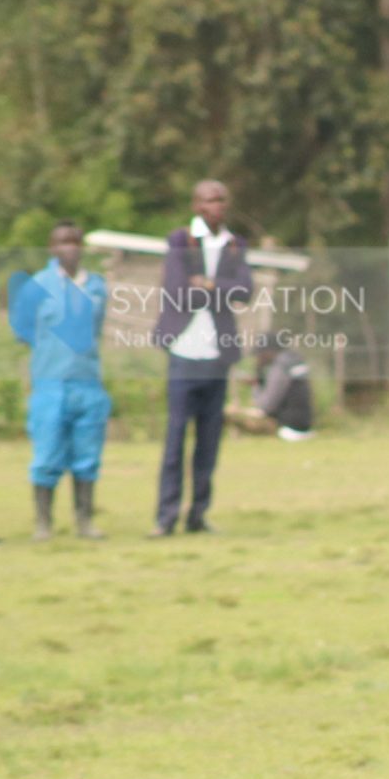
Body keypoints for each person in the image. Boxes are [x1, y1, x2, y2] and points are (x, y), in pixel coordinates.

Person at [149, 180, 253, 535]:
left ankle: (198, 515)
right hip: (183, 353)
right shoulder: (180, 241)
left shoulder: (235, 244)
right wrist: (218, 288)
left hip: (218, 356)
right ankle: (166, 518)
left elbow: (245, 291)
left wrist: (208, 284)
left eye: (222, 199)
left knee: (209, 442)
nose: (217, 206)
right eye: (209, 200)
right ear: (196, 205)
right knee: (175, 441)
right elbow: (178, 292)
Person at [8, 222, 113, 539]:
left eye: (75, 242)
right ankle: (43, 523)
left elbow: (95, 330)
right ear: (51, 248)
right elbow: (22, 332)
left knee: (87, 455)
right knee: (47, 455)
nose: (69, 248)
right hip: (50, 384)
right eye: (62, 242)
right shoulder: (36, 286)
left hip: (88, 383)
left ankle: (85, 521)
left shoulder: (96, 286)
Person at [224, 333, 315, 440]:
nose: (258, 358)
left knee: (229, 414)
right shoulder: (293, 362)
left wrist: (255, 384)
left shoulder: (280, 368)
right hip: (303, 424)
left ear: (269, 352)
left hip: (287, 428)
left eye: (259, 353)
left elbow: (265, 407)